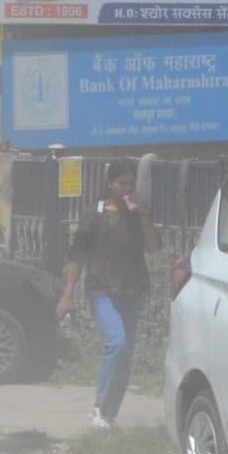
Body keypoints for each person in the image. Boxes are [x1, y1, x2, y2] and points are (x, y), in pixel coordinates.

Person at [57, 167, 155, 430]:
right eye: (122, 183)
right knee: (117, 342)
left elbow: (152, 247)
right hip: (101, 290)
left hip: (132, 289)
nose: (127, 189)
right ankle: (99, 406)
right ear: (110, 184)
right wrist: (68, 295)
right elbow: (78, 255)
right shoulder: (94, 215)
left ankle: (109, 416)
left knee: (126, 354)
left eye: (131, 184)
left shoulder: (138, 216)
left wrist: (143, 214)